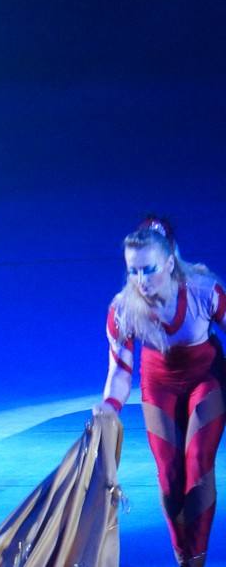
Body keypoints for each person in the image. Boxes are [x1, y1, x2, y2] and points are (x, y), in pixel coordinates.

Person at [96, 217, 226, 567]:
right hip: (158, 385)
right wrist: (109, 407)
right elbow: (119, 371)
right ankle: (183, 557)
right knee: (169, 477)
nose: (141, 280)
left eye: (149, 269)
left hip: (206, 379)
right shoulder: (122, 309)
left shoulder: (204, 291)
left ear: (169, 263)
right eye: (133, 271)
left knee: (198, 465)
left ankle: (196, 560)